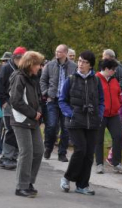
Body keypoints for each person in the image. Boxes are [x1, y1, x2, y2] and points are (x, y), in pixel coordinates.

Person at [59, 50, 104, 195]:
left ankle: (82, 185)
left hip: (92, 121)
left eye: (84, 62)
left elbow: (101, 101)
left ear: (90, 65)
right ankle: (67, 178)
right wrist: (71, 114)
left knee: (89, 154)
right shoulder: (71, 79)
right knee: (80, 149)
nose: (80, 64)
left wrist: (100, 114)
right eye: (79, 61)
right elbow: (62, 100)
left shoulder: (96, 80)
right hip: (75, 121)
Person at [10, 51, 45, 198]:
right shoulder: (19, 77)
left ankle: (29, 182)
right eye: (38, 64)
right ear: (30, 64)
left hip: (33, 120)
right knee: (26, 152)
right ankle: (21, 186)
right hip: (21, 120)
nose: (40, 67)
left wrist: (38, 112)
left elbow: (37, 98)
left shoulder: (33, 78)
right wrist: (33, 113)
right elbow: (16, 101)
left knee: (38, 150)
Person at [40, 44, 77, 162]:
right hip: (53, 100)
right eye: (56, 51)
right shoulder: (49, 65)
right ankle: (48, 147)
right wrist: (46, 93)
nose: (57, 54)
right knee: (51, 125)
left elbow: (77, 82)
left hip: (67, 102)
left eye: (60, 52)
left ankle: (62, 153)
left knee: (66, 128)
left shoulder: (74, 67)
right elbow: (43, 80)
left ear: (65, 53)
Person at [0, 46, 27, 170]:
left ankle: (12, 157)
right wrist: (2, 101)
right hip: (8, 104)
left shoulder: (23, 69)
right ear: (16, 58)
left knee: (17, 131)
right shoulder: (6, 68)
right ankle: (7, 157)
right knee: (10, 130)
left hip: (20, 105)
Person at [95, 59, 122, 173]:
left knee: (118, 136)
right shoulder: (95, 79)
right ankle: (99, 164)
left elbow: (118, 94)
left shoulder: (114, 80)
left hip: (114, 114)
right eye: (113, 69)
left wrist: (119, 104)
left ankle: (116, 163)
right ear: (106, 69)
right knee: (99, 139)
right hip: (101, 114)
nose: (115, 71)